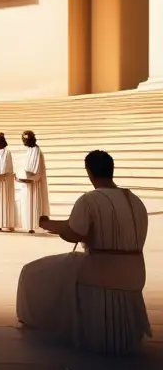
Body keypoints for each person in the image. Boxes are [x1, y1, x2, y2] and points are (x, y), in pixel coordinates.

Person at [16, 150, 151, 355]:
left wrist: (49, 225)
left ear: (89, 172)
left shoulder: (90, 199)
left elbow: (74, 233)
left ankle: (43, 322)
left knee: (34, 272)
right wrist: (52, 224)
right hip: (134, 272)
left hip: (99, 270)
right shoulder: (135, 200)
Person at [16, 130, 50, 234]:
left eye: (25, 140)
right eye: (23, 140)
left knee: (33, 204)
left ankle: (34, 225)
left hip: (34, 184)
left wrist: (21, 176)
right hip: (27, 184)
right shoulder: (30, 150)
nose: (24, 142)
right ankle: (29, 225)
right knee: (27, 204)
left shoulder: (36, 150)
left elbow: (32, 170)